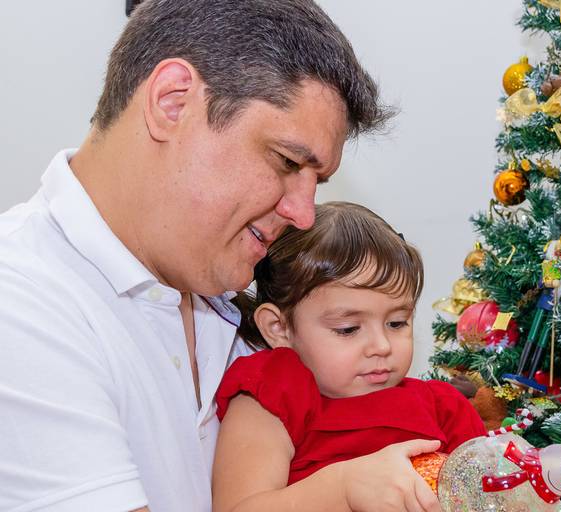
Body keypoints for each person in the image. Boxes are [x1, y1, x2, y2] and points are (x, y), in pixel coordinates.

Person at [0, 1, 441, 511]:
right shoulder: (21, 303)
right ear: (172, 102)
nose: (303, 215)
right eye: (287, 162)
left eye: (316, 182)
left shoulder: (229, 290)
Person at [213, 202, 486, 512]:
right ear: (279, 327)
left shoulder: (444, 408)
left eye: (397, 323)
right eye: (348, 329)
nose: (381, 345)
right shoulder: (275, 391)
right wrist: (343, 488)